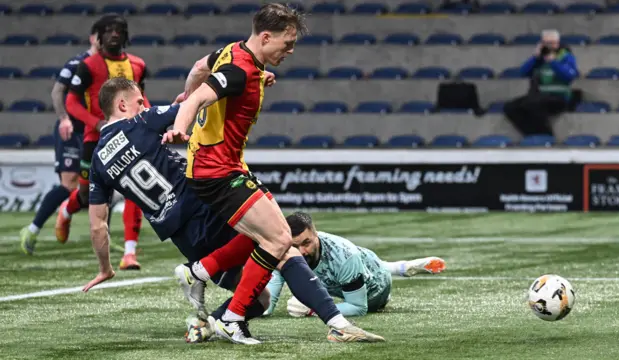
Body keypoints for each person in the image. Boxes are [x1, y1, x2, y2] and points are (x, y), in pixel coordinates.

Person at [85, 78, 384, 345]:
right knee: (281, 243)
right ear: (121, 104)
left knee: (261, 297)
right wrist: (249, 86)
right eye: (139, 101)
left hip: (184, 237)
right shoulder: (142, 122)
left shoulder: (98, 162)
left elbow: (98, 225)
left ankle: (210, 319)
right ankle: (337, 323)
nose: (144, 105)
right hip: (205, 207)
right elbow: (199, 104)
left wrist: (105, 268)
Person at [161, 3, 324, 344]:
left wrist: (191, 92)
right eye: (287, 43)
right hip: (217, 170)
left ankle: (199, 273)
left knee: (270, 230)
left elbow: (196, 68)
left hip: (222, 166)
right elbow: (198, 101)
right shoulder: (237, 69)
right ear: (266, 37)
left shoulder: (232, 53)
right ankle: (231, 316)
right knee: (279, 237)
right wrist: (180, 124)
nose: (291, 51)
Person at [57, 14, 147, 270]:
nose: (114, 34)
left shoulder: (138, 65)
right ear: (99, 36)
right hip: (95, 139)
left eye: (119, 30)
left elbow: (142, 99)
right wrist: (97, 124)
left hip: (128, 137)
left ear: (125, 35)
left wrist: (149, 121)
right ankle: (67, 209)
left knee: (135, 190)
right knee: (87, 195)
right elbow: (71, 103)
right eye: (108, 30)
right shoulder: (88, 65)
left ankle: (130, 253)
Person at [264, 212, 446, 317]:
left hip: (376, 289)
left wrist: (314, 310)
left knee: (356, 274)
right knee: (335, 276)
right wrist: (258, 310)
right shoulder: (285, 250)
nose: (301, 251)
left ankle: (394, 270)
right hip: (361, 261)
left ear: (316, 234)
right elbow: (269, 301)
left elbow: (359, 307)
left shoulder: (344, 256)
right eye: (295, 245)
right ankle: (401, 267)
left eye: (306, 243)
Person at [20, 23, 101, 255]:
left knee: (100, 183)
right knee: (70, 184)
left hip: (92, 129)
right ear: (92, 38)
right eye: (100, 36)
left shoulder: (108, 67)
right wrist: (64, 118)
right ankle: (33, 229)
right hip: (71, 129)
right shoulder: (77, 63)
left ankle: (101, 235)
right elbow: (57, 92)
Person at [503, 29, 579, 137]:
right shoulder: (539, 59)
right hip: (539, 95)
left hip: (559, 97)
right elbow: (523, 72)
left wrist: (553, 62)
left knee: (533, 104)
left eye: (551, 43)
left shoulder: (565, 56)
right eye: (545, 43)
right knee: (510, 107)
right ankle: (533, 134)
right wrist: (535, 58)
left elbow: (569, 76)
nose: (548, 46)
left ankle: (547, 135)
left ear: (557, 43)